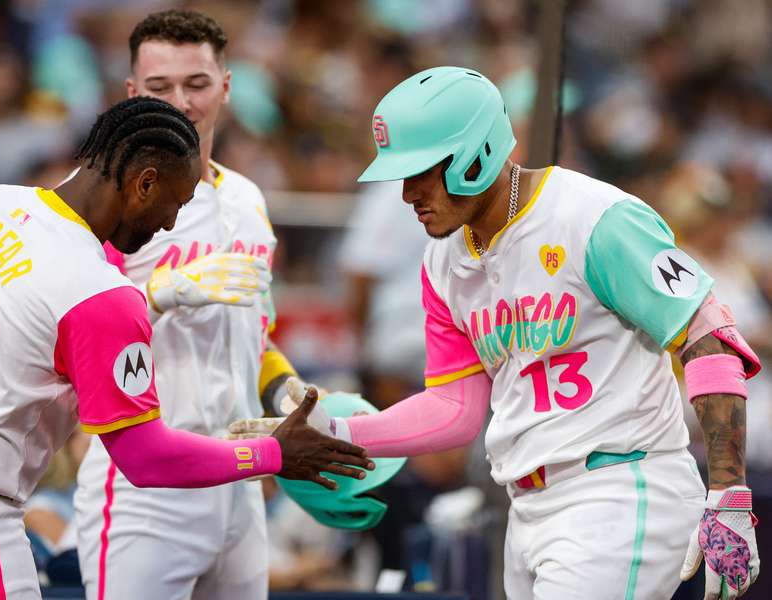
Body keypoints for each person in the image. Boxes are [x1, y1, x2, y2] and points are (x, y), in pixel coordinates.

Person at [234, 67, 762, 599]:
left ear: (476, 154)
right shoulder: (444, 258)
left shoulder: (593, 217)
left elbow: (708, 334)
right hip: (527, 506)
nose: (407, 193)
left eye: (420, 171)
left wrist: (728, 493)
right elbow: (452, 408)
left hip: (619, 487)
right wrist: (336, 435)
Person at [0, 96, 372, 600]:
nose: (172, 224)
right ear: (145, 182)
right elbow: (146, 458)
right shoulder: (101, 292)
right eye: (176, 203)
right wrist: (272, 454)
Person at [74, 10, 327, 600]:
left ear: (227, 86)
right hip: (145, 486)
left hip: (241, 484)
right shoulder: (104, 199)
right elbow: (69, 331)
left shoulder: (248, 198)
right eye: (161, 88)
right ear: (132, 92)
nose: (181, 103)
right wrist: (159, 294)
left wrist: (282, 387)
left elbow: (253, 333)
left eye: (197, 84)